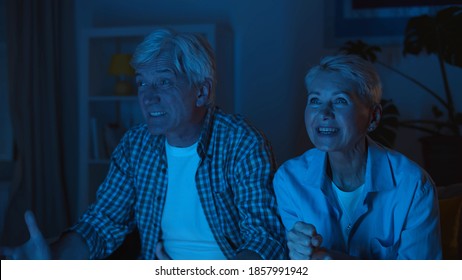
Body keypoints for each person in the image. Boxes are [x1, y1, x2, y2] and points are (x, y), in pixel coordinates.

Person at [0, 27, 285, 260]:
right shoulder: (135, 145)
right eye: (142, 83)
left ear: (202, 92)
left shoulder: (242, 142)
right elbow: (101, 225)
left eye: (164, 82)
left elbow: (264, 239)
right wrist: (51, 257)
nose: (148, 97)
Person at [273, 54, 442, 260]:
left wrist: (333, 261)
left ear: (373, 117)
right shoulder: (289, 179)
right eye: (315, 100)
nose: (324, 113)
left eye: (340, 101)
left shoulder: (413, 186)